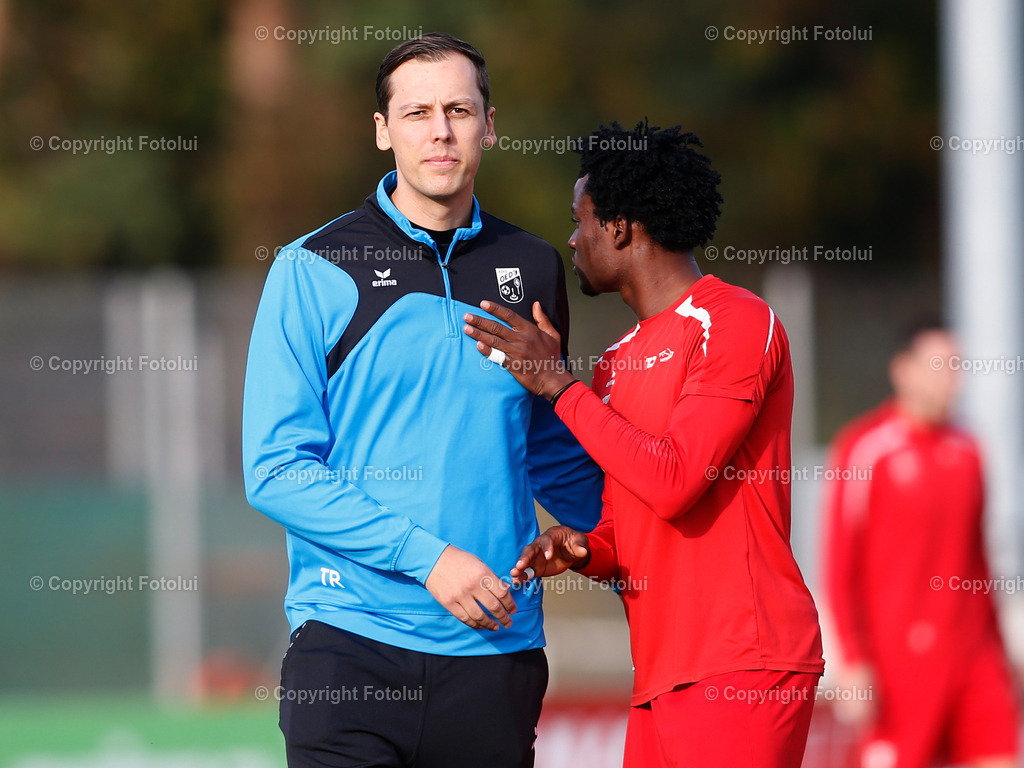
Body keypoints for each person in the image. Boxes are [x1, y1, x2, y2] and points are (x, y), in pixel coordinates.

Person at [242, 32, 602, 768]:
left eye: (459, 110)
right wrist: (428, 559)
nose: (440, 130)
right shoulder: (313, 267)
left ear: (489, 124)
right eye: (416, 113)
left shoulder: (531, 264)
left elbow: (547, 447)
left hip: (496, 653)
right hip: (349, 648)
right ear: (383, 132)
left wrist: (620, 543)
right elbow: (276, 469)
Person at [462, 120, 825, 767]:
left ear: (620, 226)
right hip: (660, 677)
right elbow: (628, 528)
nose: (571, 239)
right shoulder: (617, 363)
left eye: (580, 220)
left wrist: (556, 385)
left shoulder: (736, 321)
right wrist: (581, 548)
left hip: (742, 666)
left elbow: (676, 479)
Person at [821, 320, 1019, 768]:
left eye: (956, 365)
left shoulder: (970, 449)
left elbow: (978, 561)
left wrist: (1000, 654)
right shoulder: (866, 448)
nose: (950, 377)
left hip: (975, 657)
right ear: (902, 370)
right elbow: (838, 563)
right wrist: (852, 660)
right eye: (938, 364)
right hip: (899, 663)